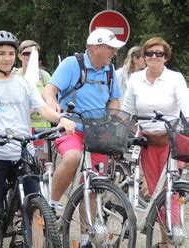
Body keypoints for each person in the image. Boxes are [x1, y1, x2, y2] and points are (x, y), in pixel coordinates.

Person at [0, 30, 76, 247]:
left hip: (22, 153)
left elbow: (42, 108)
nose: (6, 58)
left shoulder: (24, 84)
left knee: (36, 208)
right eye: (1, 54)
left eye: (10, 53)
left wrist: (61, 119)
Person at [41, 28, 124, 246]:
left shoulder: (109, 70)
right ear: (96, 48)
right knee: (72, 157)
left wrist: (113, 118)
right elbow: (49, 91)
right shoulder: (72, 64)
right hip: (71, 127)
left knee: (95, 183)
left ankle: (87, 234)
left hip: (97, 131)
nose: (114, 52)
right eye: (111, 48)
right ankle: (52, 204)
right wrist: (53, 106)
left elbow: (115, 100)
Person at [122, 37, 189, 246]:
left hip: (170, 142)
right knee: (155, 192)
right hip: (147, 142)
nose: (154, 57)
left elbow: (186, 107)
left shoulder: (175, 79)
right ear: (144, 57)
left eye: (159, 53)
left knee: (171, 190)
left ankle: (171, 236)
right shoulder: (136, 79)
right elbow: (126, 111)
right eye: (149, 53)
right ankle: (164, 239)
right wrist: (114, 132)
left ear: (165, 57)